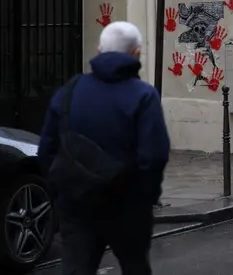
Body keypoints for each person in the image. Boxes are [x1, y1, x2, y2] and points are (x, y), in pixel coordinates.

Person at [38, 21, 170, 275]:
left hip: (77, 204)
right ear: (136, 53)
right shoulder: (143, 95)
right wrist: (146, 197)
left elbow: (46, 149)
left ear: (99, 50)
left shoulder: (70, 90)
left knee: (76, 268)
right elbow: (153, 156)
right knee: (135, 267)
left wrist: (62, 192)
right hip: (127, 205)